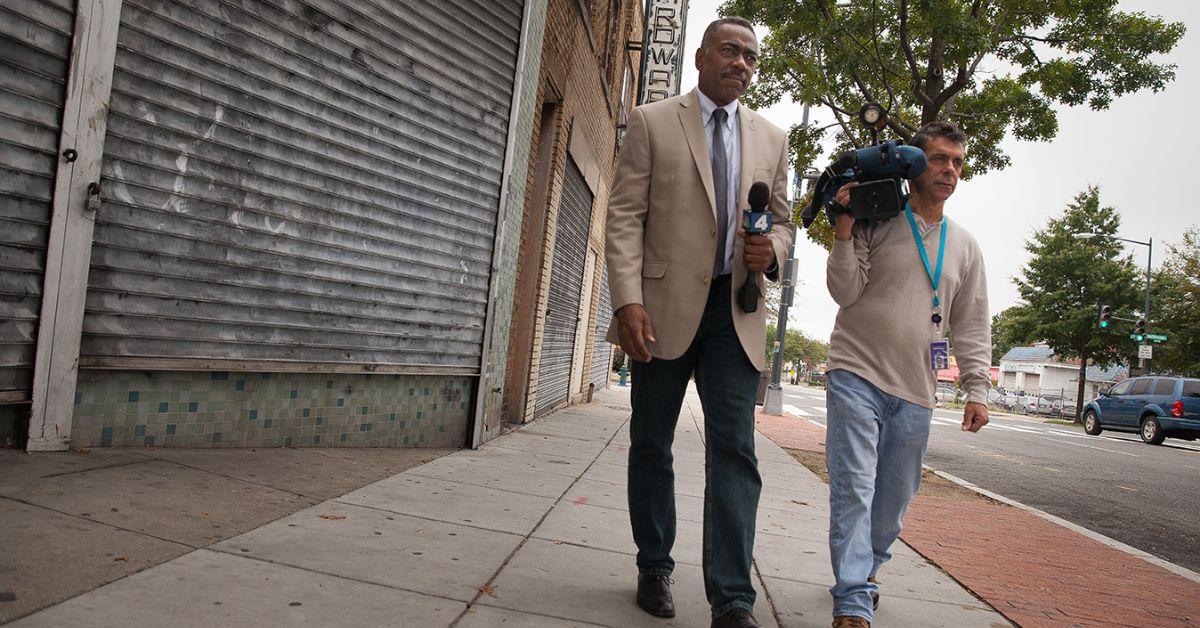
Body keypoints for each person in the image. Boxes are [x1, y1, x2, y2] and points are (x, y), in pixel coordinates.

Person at [604, 16, 792, 628]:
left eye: (752, 57)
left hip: (735, 314)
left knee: (736, 451)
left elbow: (785, 223)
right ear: (701, 56)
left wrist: (776, 252)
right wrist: (627, 300)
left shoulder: (771, 137)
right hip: (660, 312)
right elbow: (625, 216)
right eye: (731, 51)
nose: (742, 63)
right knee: (652, 440)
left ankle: (733, 598)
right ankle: (654, 564)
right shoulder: (654, 121)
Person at [822, 121, 991, 628]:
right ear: (915, 165)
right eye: (939, 159)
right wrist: (844, 230)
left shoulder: (964, 245)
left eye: (957, 163)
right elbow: (843, 291)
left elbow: (971, 319)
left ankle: (866, 569)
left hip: (917, 388)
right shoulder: (879, 220)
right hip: (856, 371)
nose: (949, 171)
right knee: (854, 486)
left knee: (894, 498)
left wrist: (976, 388)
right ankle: (852, 598)